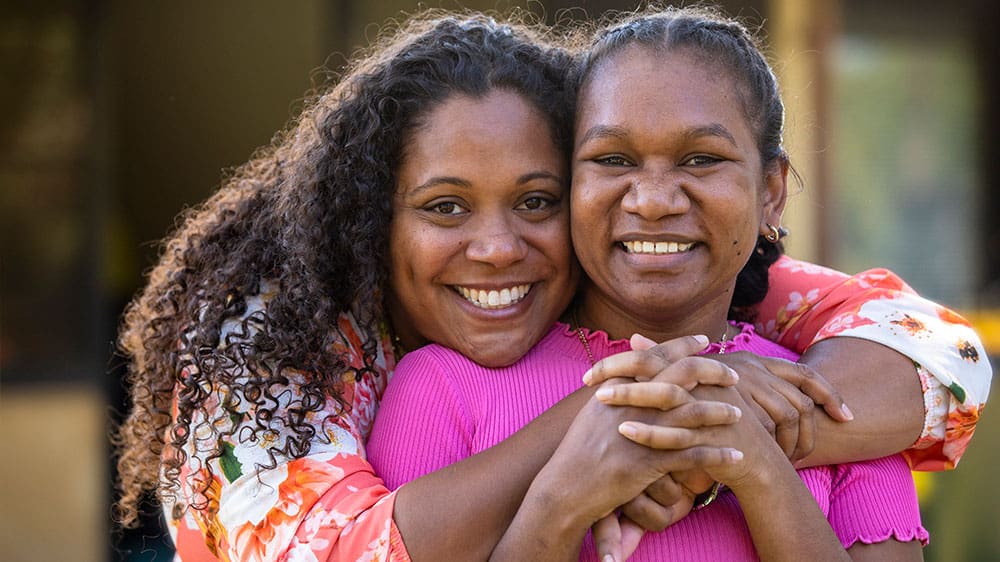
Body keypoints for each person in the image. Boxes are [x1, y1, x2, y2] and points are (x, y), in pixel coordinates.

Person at [112, 8, 991, 562]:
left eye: (535, 200)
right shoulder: (284, 356)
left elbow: (938, 359)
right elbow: (346, 550)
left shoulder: (749, 318)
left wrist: (729, 431)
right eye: (445, 206)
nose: (498, 248)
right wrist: (615, 425)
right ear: (369, 221)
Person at [367, 7, 969, 561]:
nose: (653, 202)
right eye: (613, 160)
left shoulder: (829, 415)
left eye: (701, 158)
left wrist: (755, 463)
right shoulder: (440, 388)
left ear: (771, 193)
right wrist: (562, 499)